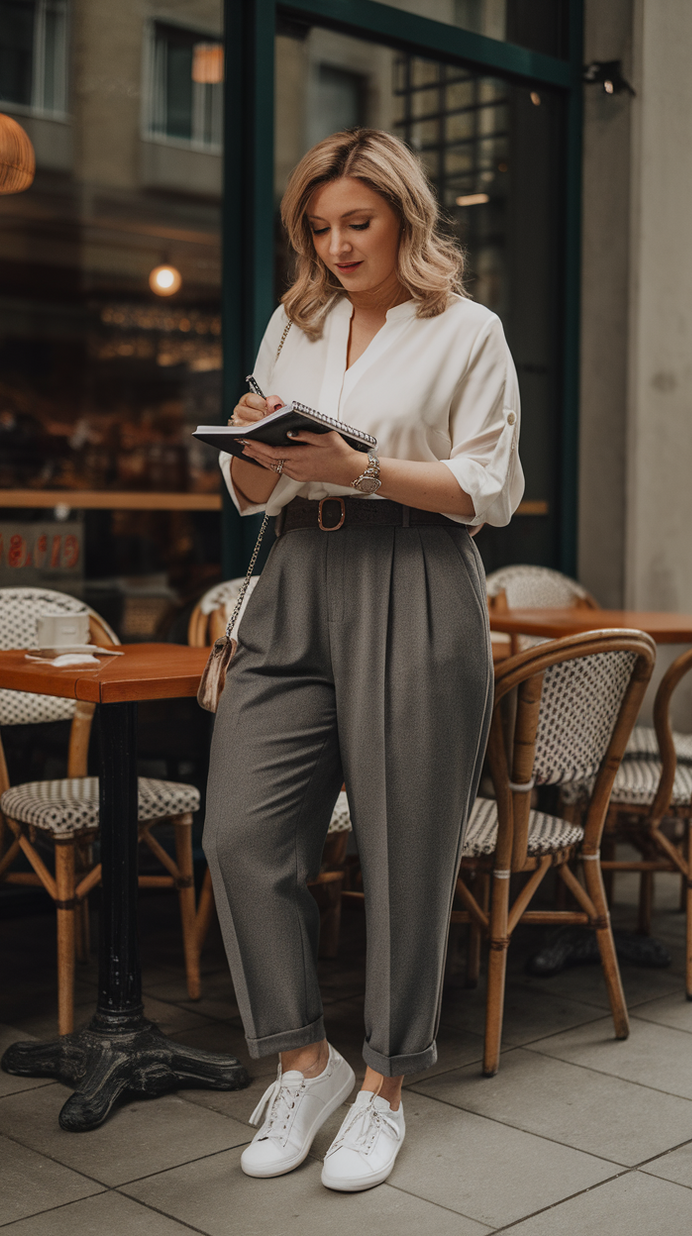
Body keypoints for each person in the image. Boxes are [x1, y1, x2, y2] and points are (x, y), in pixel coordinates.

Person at [203, 128, 523, 1192]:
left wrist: (364, 465)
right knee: (240, 836)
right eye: (319, 226)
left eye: (357, 222)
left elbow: (489, 487)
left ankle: (385, 1085)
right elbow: (257, 494)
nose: (336, 244)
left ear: (403, 218)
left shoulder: (466, 331)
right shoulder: (293, 325)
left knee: (404, 852)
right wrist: (253, 453)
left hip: (415, 576)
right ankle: (306, 1058)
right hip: (295, 577)